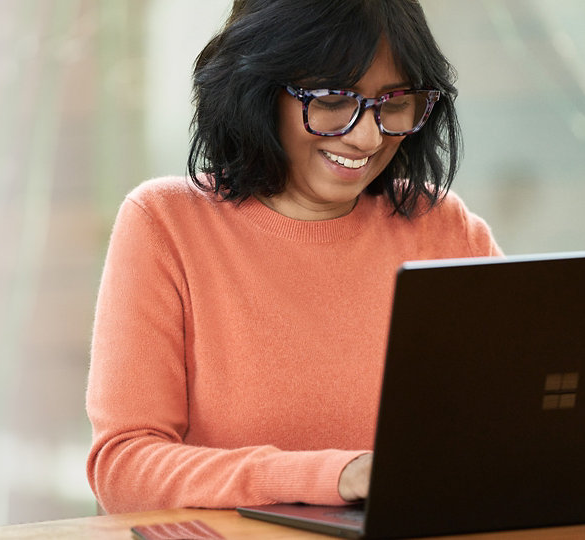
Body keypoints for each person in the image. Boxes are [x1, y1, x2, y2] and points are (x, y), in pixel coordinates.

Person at [86, 0, 502, 514]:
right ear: (257, 89)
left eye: (394, 102)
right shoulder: (164, 223)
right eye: (332, 99)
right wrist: (335, 476)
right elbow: (124, 467)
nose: (367, 136)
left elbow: (522, 415)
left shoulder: (443, 228)